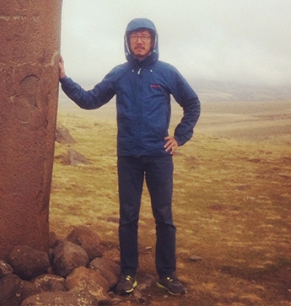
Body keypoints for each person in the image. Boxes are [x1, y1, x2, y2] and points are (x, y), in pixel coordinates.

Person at [58, 18, 200, 296]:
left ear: (153, 41)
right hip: (129, 156)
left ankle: (167, 275)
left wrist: (179, 137)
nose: (139, 41)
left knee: (164, 217)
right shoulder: (119, 74)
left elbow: (192, 103)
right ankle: (127, 273)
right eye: (135, 36)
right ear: (127, 41)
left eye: (145, 36)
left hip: (159, 156)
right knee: (128, 217)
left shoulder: (166, 73)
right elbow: (90, 100)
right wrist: (64, 79)